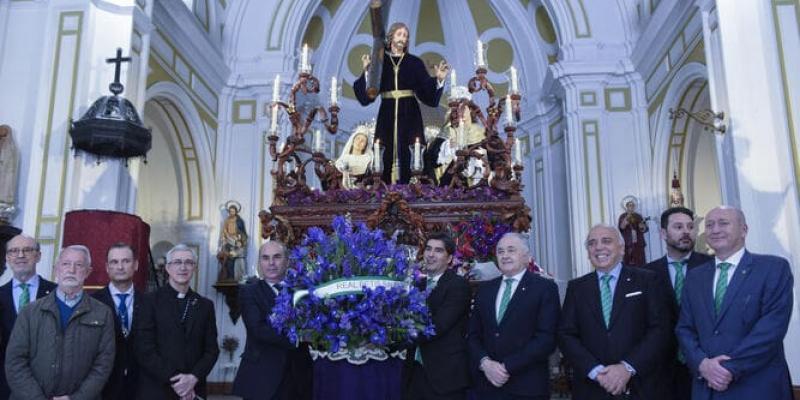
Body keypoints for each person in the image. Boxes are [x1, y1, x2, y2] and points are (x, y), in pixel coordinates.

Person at [676, 206, 793, 399]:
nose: (715, 230)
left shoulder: (773, 268)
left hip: (757, 386)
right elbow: (685, 328)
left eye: (724, 223)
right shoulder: (696, 276)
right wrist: (703, 364)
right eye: (710, 225)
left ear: (744, 230)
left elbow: (771, 329)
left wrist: (727, 369)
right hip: (707, 388)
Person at [559, 224, 670, 399]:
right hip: (592, 387)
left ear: (621, 248)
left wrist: (627, 368)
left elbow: (660, 329)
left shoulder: (647, 280)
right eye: (592, 243)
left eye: (606, 241)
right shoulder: (576, 288)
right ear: (588, 252)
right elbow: (566, 335)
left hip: (640, 385)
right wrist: (596, 372)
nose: (599, 247)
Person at [5, 245, 115, 399]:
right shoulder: (30, 312)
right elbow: (15, 362)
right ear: (56, 269)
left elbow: (103, 365)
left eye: (78, 265)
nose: (71, 270)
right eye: (65, 264)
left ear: (88, 272)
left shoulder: (102, 313)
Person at [354, 22, 449, 184]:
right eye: (399, 34)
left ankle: (412, 186)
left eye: (405, 35)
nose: (402, 38)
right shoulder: (380, 62)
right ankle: (382, 186)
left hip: (410, 113)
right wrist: (366, 71)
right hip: (387, 113)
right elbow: (367, 96)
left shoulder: (414, 63)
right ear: (391, 37)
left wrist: (438, 79)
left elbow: (428, 95)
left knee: (412, 150)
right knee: (383, 150)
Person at [467, 232, 560, 399]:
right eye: (500, 251)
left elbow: (546, 339)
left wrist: (506, 367)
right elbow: (473, 335)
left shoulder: (544, 288)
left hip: (527, 387)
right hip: (488, 387)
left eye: (511, 250)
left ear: (527, 256)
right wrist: (485, 363)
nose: (505, 256)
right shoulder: (485, 290)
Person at [643, 207, 712, 400]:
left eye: (690, 227)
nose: (686, 232)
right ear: (663, 233)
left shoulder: (712, 266)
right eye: (678, 227)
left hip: (706, 364)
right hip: (663, 370)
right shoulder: (646, 274)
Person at [135, 244, 219, 400]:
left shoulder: (205, 305)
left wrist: (193, 377)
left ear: (194, 267)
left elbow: (211, 350)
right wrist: (179, 381)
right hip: (157, 389)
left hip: (194, 390)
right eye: (177, 262)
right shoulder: (150, 302)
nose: (183, 267)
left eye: (188, 262)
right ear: (167, 268)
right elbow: (144, 349)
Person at [233, 240, 312, 400]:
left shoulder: (302, 290)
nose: (271, 263)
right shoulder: (249, 292)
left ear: (287, 261)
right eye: (265, 258)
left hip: (299, 376)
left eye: (277, 257)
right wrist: (299, 338)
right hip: (262, 377)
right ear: (260, 262)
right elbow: (257, 329)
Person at [405, 232, 470, 400]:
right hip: (415, 371)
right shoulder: (416, 285)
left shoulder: (458, 285)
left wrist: (401, 333)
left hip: (445, 376)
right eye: (428, 249)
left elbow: (439, 325)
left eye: (438, 250)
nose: (431, 255)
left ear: (449, 259)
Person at [0, 234, 57, 399]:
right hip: (4, 388)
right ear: (7, 258)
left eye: (27, 250)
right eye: (14, 251)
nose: (20, 255)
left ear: (38, 256)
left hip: (45, 387)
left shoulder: (57, 294)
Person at [92, 243, 142, 400]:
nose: (120, 267)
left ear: (135, 265)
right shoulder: (92, 302)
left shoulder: (150, 302)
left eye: (126, 261)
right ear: (107, 267)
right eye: (114, 262)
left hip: (140, 387)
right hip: (103, 387)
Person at [217, 203, 248, 282]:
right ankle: (229, 276)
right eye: (230, 211)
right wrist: (224, 239)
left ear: (236, 212)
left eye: (233, 211)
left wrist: (240, 240)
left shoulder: (239, 221)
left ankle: (237, 277)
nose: (231, 213)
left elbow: (243, 232)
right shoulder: (226, 220)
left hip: (236, 240)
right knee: (228, 259)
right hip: (228, 240)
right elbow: (224, 231)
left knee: (237, 258)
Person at [618, 197, 649, 266]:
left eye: (633, 205)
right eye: (629, 205)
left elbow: (645, 229)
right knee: (629, 262)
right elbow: (621, 227)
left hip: (639, 243)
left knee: (640, 262)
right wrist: (626, 218)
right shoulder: (623, 216)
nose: (631, 207)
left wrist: (642, 227)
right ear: (626, 207)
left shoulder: (638, 216)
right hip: (628, 243)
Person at [0, 125, 19, 207]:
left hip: (6, 179)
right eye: (0, 137)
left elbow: (9, 166)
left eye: (4, 136)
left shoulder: (12, 149)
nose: (2, 139)